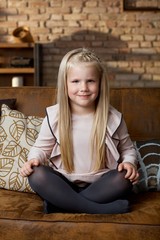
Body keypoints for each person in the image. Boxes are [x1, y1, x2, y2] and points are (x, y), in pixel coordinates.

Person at [20, 48, 139, 214]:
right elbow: (41, 148)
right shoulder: (55, 116)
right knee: (36, 175)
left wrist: (129, 163)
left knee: (123, 179)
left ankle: (60, 205)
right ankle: (98, 209)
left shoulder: (113, 118)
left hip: (101, 184)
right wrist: (33, 159)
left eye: (90, 81)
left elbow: (127, 149)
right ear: (65, 83)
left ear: (100, 83)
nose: (83, 88)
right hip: (64, 182)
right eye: (75, 81)